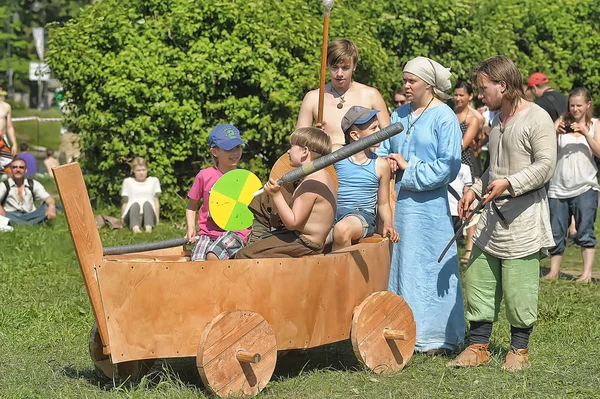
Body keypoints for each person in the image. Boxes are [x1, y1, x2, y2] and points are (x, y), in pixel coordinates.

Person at [448, 56, 556, 371]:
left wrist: (509, 183)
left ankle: (518, 351)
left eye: (484, 88)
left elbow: (545, 166)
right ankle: (478, 346)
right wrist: (475, 189)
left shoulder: (537, 117)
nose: (480, 95)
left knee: (519, 287)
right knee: (479, 277)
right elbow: (494, 170)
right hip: (492, 218)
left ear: (503, 85)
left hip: (523, 218)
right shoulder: (497, 120)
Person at [375, 56, 464, 354]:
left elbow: (447, 166)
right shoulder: (399, 114)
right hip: (399, 205)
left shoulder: (444, 117)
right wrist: (388, 161)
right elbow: (385, 148)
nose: (406, 86)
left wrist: (409, 166)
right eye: (405, 81)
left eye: (412, 81)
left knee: (428, 265)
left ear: (428, 84)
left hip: (429, 210)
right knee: (401, 265)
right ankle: (400, 328)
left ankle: (436, 336)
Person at [235, 127, 336, 259]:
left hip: (305, 243)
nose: (288, 151)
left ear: (305, 151)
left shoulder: (311, 182)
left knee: (244, 255)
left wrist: (276, 194)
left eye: (292, 146)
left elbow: (293, 222)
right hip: (303, 239)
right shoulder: (322, 175)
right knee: (261, 242)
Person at [544, 87, 600, 283]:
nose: (575, 109)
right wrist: (554, 131)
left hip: (586, 186)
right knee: (556, 231)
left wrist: (586, 133)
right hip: (558, 187)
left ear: (588, 105)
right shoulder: (560, 122)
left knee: (585, 230)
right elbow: (543, 147)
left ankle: (586, 274)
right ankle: (553, 272)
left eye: (579, 105)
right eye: (572, 105)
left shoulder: (595, 124)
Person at [296, 39, 390, 145]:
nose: (339, 73)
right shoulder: (313, 98)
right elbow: (298, 143)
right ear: (327, 65)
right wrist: (314, 137)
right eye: (334, 67)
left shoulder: (371, 95)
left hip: (363, 159)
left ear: (354, 66)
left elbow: (389, 138)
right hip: (327, 159)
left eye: (345, 68)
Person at [331, 106, 399, 250]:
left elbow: (383, 203)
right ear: (355, 135)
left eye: (378, 127)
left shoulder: (380, 165)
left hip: (361, 216)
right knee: (311, 237)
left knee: (342, 230)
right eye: (373, 129)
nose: (379, 132)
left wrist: (388, 224)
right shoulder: (336, 152)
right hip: (332, 212)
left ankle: (339, 272)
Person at [185, 124, 250, 261]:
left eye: (237, 147)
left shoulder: (245, 179)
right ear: (215, 152)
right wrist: (191, 227)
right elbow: (191, 205)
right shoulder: (204, 176)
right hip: (207, 233)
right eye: (229, 149)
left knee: (213, 256)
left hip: (236, 232)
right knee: (197, 261)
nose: (235, 153)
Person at [0, 157, 56, 225]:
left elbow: (47, 197)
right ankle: (31, 224)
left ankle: (20, 224)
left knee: (47, 207)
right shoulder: (5, 185)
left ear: (26, 170)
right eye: (15, 167)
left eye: (21, 167)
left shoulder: (33, 183)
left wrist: (51, 206)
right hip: (11, 215)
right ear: (11, 170)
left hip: (30, 214)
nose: (18, 170)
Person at [121, 157, 161, 233]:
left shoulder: (154, 181)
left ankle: (148, 228)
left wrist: (157, 219)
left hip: (148, 214)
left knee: (147, 204)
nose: (141, 173)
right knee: (135, 205)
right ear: (133, 171)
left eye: (143, 170)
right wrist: (122, 218)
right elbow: (125, 202)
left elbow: (156, 201)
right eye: (138, 170)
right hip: (132, 214)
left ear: (147, 170)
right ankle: (135, 228)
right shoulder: (127, 182)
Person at [448, 163, 473, 242]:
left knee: (456, 236)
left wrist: (467, 205)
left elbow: (467, 188)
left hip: (457, 207)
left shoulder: (465, 168)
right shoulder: (441, 165)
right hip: (444, 207)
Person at [0, 88, 17, 175]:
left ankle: (8, 186)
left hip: (2, 139)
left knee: (9, 166)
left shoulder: (6, 107)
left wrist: (14, 143)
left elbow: (9, 127)